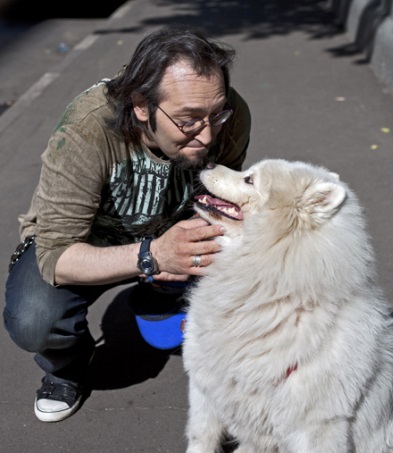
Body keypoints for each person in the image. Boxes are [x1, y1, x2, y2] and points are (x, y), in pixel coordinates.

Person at [3, 26, 251, 423]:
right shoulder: (88, 128)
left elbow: (221, 194)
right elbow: (57, 255)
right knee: (34, 319)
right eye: (188, 121)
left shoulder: (223, 115)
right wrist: (155, 256)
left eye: (216, 114)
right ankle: (66, 367)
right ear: (140, 105)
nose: (206, 136)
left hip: (171, 232)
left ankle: (158, 299)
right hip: (86, 245)